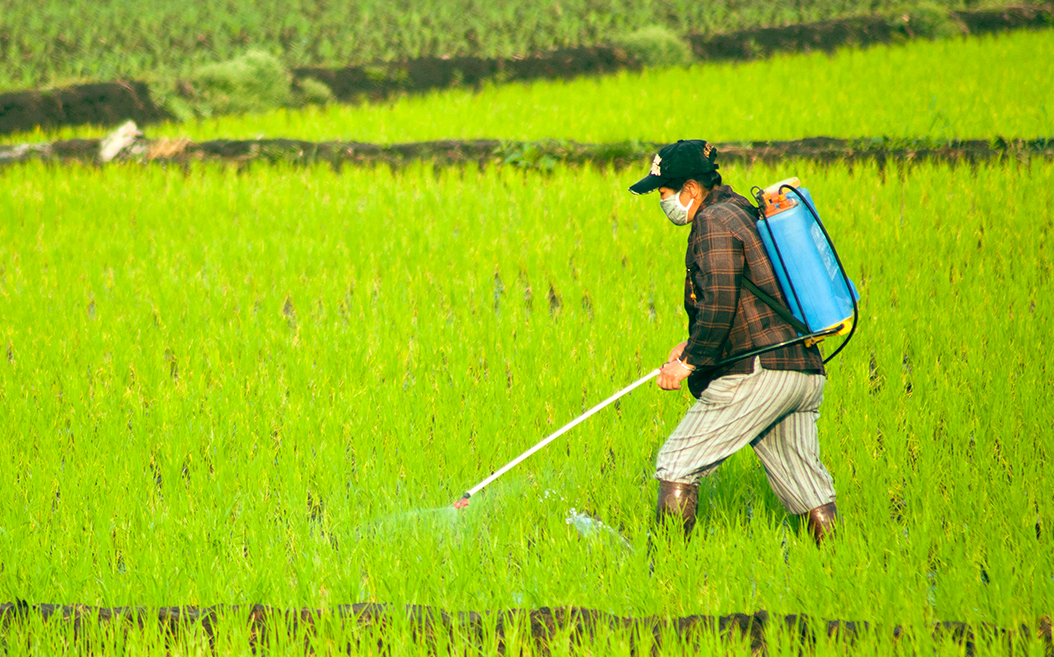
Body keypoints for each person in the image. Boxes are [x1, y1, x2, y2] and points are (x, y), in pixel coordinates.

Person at [628, 139, 838, 546]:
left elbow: (721, 299)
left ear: (690, 189)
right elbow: (743, 301)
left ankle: (668, 579)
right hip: (801, 369)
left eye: (664, 192)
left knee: (677, 464)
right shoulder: (741, 210)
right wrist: (688, 344)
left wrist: (688, 362)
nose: (662, 201)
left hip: (759, 373)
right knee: (806, 486)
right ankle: (839, 568)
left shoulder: (713, 223)